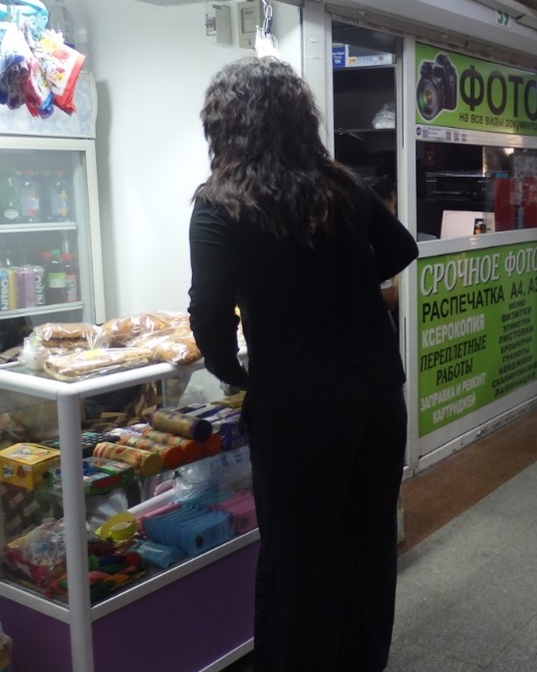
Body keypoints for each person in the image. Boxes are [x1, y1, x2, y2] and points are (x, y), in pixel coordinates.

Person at [188, 57, 419, 671]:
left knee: (297, 558)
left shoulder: (220, 204)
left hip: (297, 408)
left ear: (226, 126)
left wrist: (231, 371)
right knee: (367, 544)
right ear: (300, 119)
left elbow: (209, 313)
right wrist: (341, 287)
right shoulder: (340, 185)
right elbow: (402, 248)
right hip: (375, 397)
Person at [368, 176, 401, 329]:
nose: (394, 211)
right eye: (394, 205)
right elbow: (390, 299)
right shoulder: (376, 241)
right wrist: (402, 272)